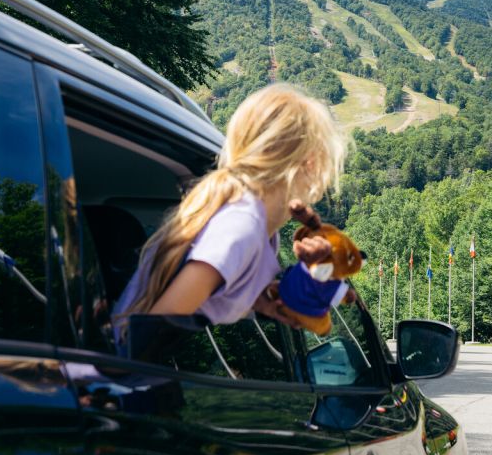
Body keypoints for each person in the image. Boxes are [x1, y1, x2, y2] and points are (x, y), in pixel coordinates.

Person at [112, 83, 345, 341]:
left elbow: (210, 293)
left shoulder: (258, 228)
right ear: (309, 162)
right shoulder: (243, 228)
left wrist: (261, 301)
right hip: (111, 374)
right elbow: (152, 330)